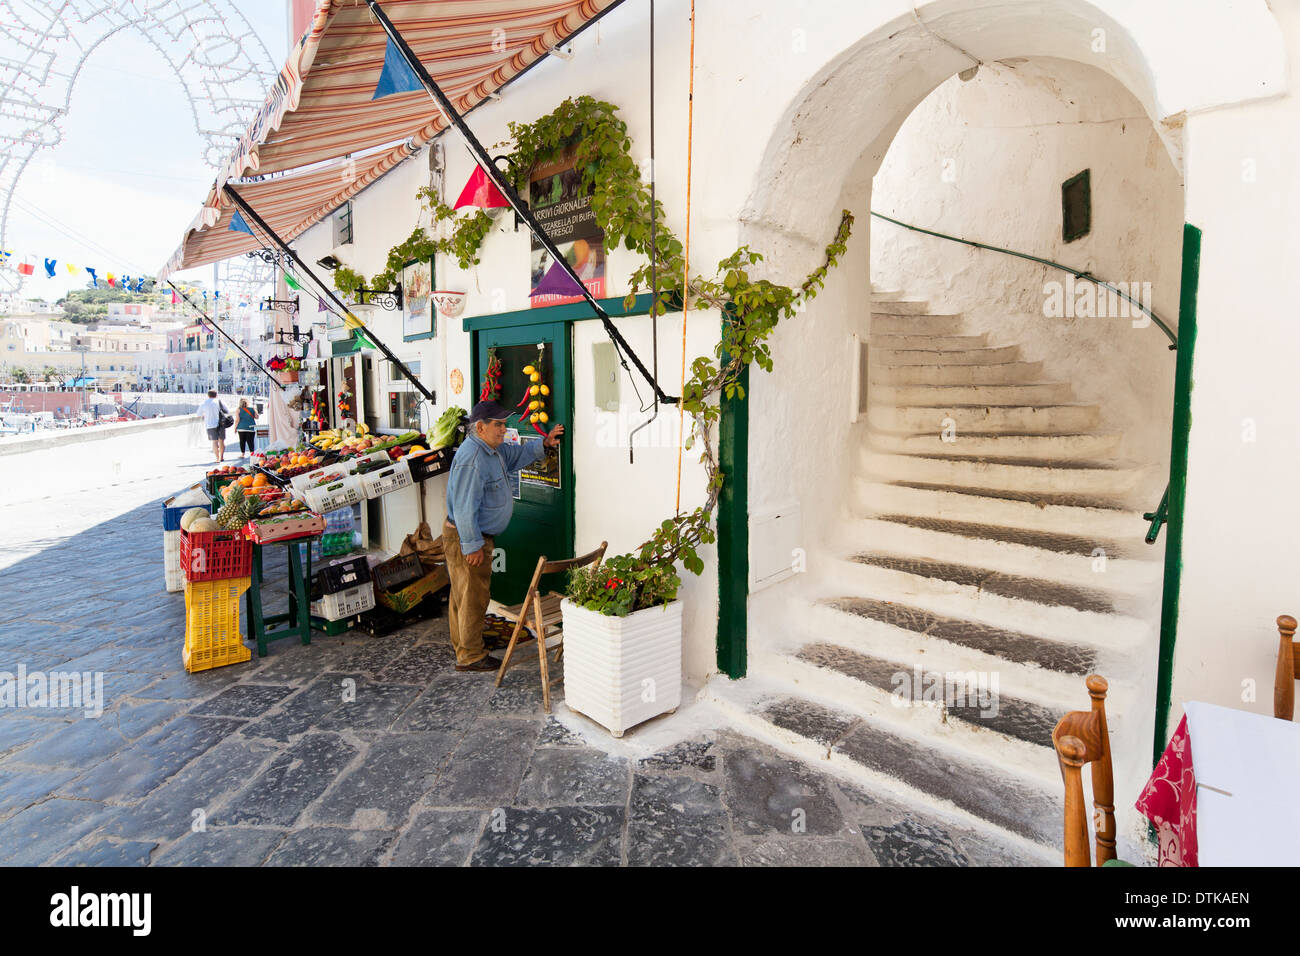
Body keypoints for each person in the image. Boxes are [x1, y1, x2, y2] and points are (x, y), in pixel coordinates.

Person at [444, 399, 565, 672]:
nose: (503, 429)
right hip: (468, 536)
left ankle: (464, 645)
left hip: (472, 536)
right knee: (473, 597)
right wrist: (472, 545)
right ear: (480, 427)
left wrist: (543, 444)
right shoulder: (473, 458)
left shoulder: (491, 450)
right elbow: (464, 507)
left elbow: (513, 456)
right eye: (498, 425)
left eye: (504, 424)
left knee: (463, 595)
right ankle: (471, 656)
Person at [198, 389, 229, 463]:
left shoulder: (204, 403)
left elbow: (199, 414)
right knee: (221, 441)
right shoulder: (219, 401)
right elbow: (227, 411)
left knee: (214, 442)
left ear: (208, 395)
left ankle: (217, 458)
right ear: (216, 395)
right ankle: (222, 457)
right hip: (221, 424)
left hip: (210, 425)